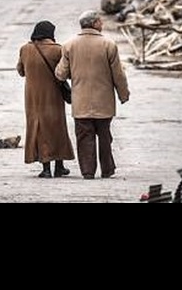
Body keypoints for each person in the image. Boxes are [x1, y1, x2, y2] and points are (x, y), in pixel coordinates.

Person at [55, 10, 130, 179]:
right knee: (105, 136)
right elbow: (118, 74)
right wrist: (123, 94)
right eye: (100, 21)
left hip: (80, 102)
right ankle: (107, 169)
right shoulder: (108, 45)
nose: (102, 24)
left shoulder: (69, 45)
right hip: (104, 102)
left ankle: (88, 171)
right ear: (95, 23)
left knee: (84, 137)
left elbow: (60, 74)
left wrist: (74, 71)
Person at [16, 20, 75, 178]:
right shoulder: (57, 50)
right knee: (57, 128)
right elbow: (64, 72)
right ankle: (58, 167)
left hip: (33, 98)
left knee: (39, 129)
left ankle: (46, 168)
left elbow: (21, 71)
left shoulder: (25, 49)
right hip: (53, 96)